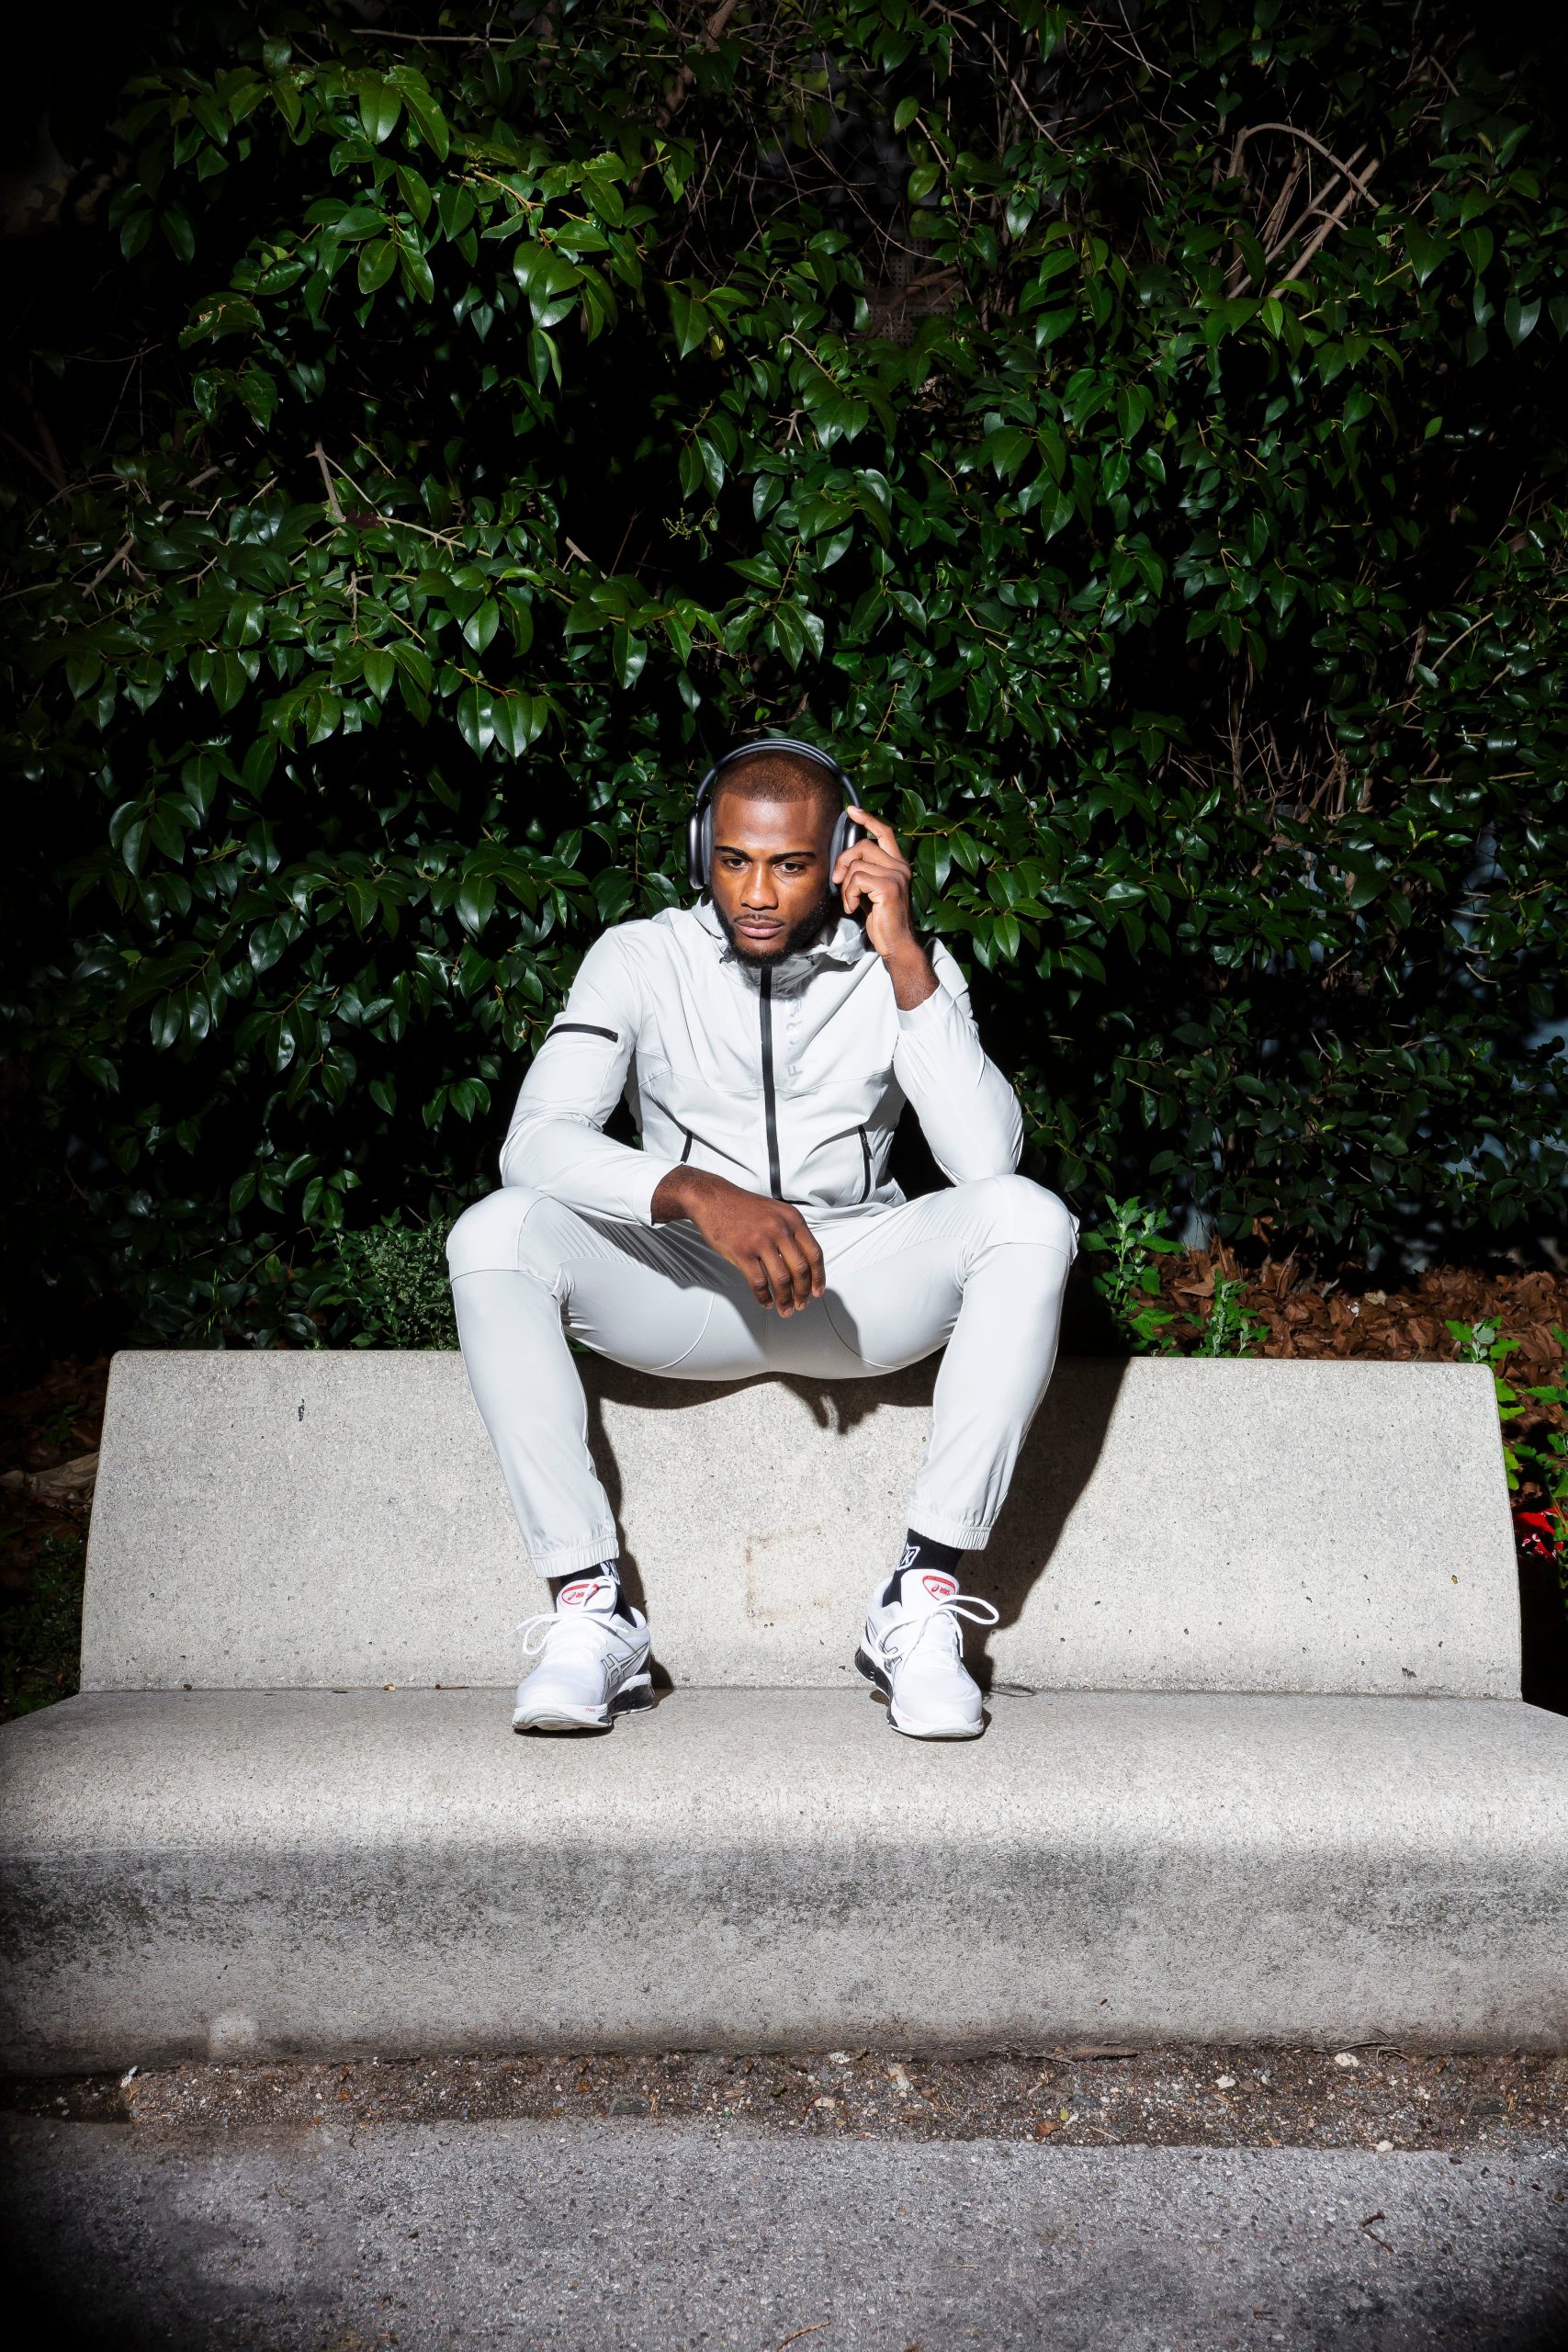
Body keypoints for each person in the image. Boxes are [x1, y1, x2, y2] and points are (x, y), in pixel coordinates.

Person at [446, 739, 1077, 1740]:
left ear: (842, 861)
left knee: (1030, 1218)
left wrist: (905, 958)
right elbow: (534, 1142)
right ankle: (590, 1611)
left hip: (853, 1284)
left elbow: (986, 1160)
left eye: (789, 864)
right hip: (686, 1286)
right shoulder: (639, 956)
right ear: (703, 848)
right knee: (494, 1233)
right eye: (734, 860)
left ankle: (918, 1602)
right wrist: (692, 1191)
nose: (756, 893)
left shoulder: (903, 965)